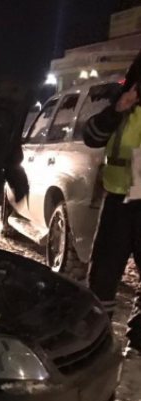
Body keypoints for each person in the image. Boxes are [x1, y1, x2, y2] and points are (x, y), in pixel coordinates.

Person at [83, 51, 141, 357]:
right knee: (103, 275)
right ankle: (97, 336)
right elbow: (91, 137)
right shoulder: (123, 104)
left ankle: (139, 342)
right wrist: (118, 108)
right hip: (118, 200)